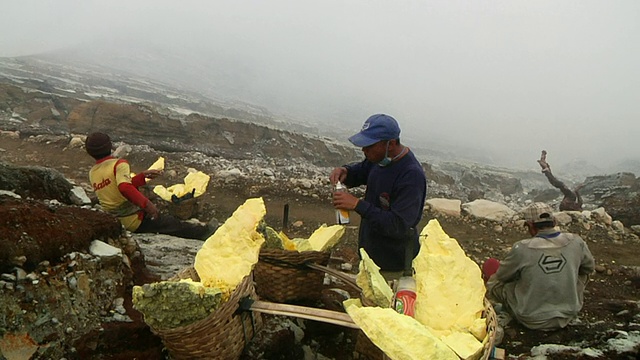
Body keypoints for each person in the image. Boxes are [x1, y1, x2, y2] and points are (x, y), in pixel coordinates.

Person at [329, 114, 427, 281]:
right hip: (371, 258)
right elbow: (362, 170)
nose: (364, 150)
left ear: (391, 144)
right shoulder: (378, 160)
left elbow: (398, 225)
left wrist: (358, 205)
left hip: (392, 267)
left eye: (370, 146)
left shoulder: (411, 176)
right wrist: (347, 172)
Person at [85, 132, 217, 240]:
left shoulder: (93, 172)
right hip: (135, 220)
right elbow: (124, 188)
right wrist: (148, 205)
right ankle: (208, 233)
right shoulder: (119, 164)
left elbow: (115, 187)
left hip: (118, 220)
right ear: (110, 146)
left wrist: (142, 177)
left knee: (169, 222)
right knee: (173, 224)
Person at [484, 202, 595, 330]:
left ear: (530, 225)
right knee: (581, 271)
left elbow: (502, 276)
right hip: (568, 314)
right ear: (554, 221)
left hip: (530, 318)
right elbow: (588, 268)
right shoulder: (576, 242)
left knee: (491, 267)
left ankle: (497, 306)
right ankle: (567, 300)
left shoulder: (522, 248)